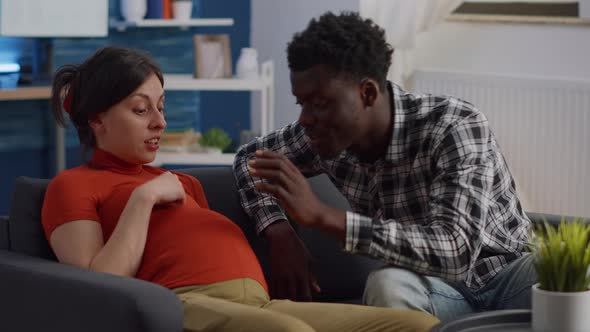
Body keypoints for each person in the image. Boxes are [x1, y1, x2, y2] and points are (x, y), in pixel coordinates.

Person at [41, 46, 438, 332]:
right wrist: (142, 199)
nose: (160, 122)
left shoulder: (183, 184)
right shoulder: (72, 186)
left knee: (421, 326)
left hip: (261, 304)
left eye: (162, 106)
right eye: (142, 109)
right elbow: (96, 289)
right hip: (184, 306)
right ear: (97, 120)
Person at [233, 11, 537, 322]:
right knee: (386, 283)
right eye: (301, 103)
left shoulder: (453, 125)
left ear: (367, 93)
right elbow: (248, 158)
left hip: (507, 277)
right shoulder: (319, 136)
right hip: (428, 288)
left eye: (320, 103)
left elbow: (456, 251)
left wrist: (324, 216)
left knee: (577, 274)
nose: (305, 119)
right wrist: (279, 232)